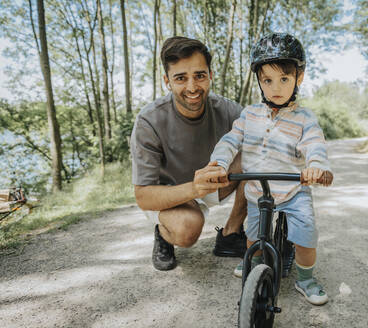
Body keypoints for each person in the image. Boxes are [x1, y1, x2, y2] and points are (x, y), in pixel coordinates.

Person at [210, 33, 334, 305]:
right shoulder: (249, 115)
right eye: (267, 80)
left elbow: (315, 146)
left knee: (305, 236)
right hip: (258, 189)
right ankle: (253, 261)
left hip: (293, 190)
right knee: (253, 236)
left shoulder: (305, 119)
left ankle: (306, 279)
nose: (275, 87)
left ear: (299, 78)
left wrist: (315, 166)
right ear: (259, 81)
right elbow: (231, 140)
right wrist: (218, 163)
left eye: (284, 79)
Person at [130, 36, 247, 272]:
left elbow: (268, 141)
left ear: (210, 75)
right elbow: (143, 196)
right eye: (181, 78)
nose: (192, 87)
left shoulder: (230, 111)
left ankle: (231, 234)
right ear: (167, 81)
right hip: (170, 196)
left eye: (199, 76)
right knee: (187, 230)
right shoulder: (149, 121)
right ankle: (164, 232)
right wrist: (194, 189)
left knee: (257, 157)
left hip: (213, 184)